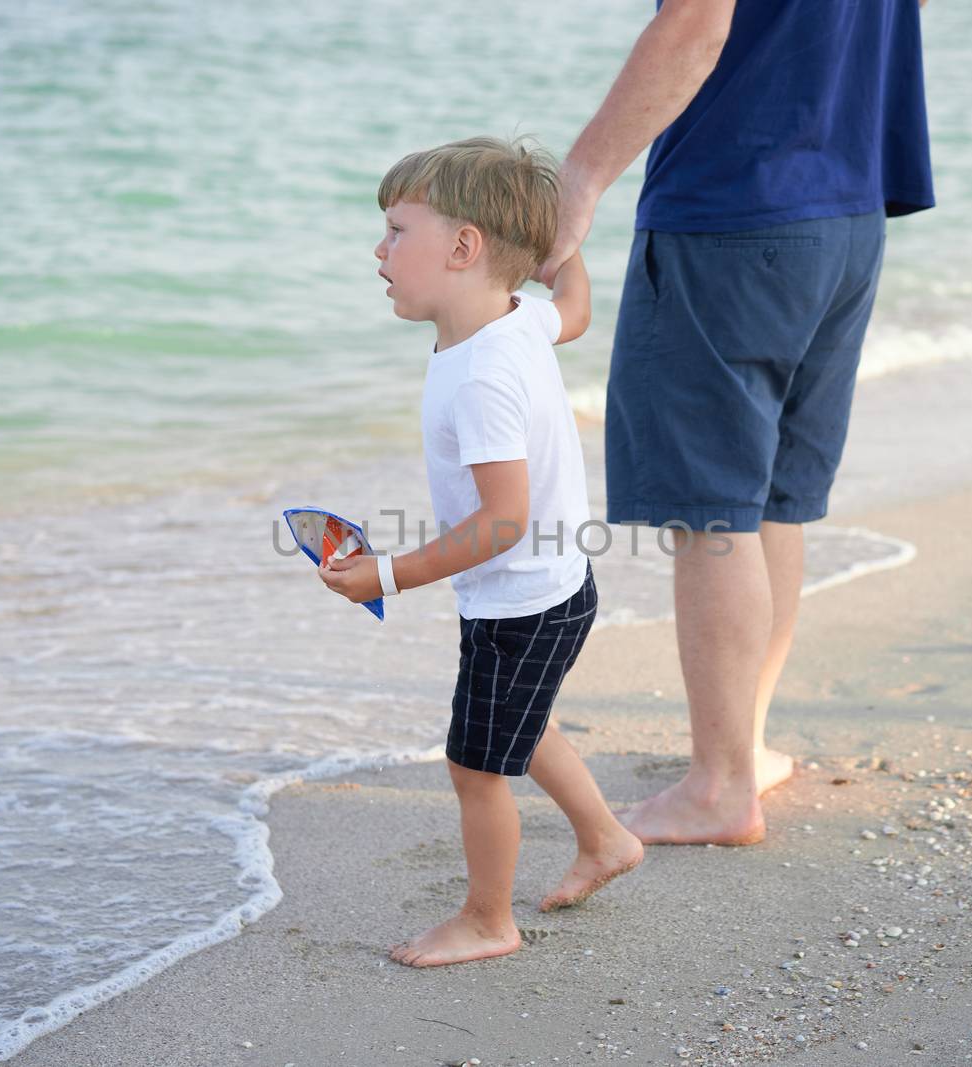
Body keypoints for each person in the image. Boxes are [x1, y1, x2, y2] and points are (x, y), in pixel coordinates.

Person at [536, 0, 935, 846]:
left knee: (713, 506)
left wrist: (580, 181)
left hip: (735, 205)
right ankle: (742, 749)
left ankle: (720, 786)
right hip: (850, 205)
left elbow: (695, 23)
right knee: (771, 497)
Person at [320, 137, 643, 967]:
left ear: (464, 248)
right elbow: (572, 309)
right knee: (523, 726)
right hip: (553, 586)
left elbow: (502, 521)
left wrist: (385, 574)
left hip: (520, 598)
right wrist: (566, 252)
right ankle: (606, 839)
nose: (379, 250)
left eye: (397, 231)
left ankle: (487, 918)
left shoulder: (483, 376)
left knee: (474, 763)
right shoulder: (518, 319)